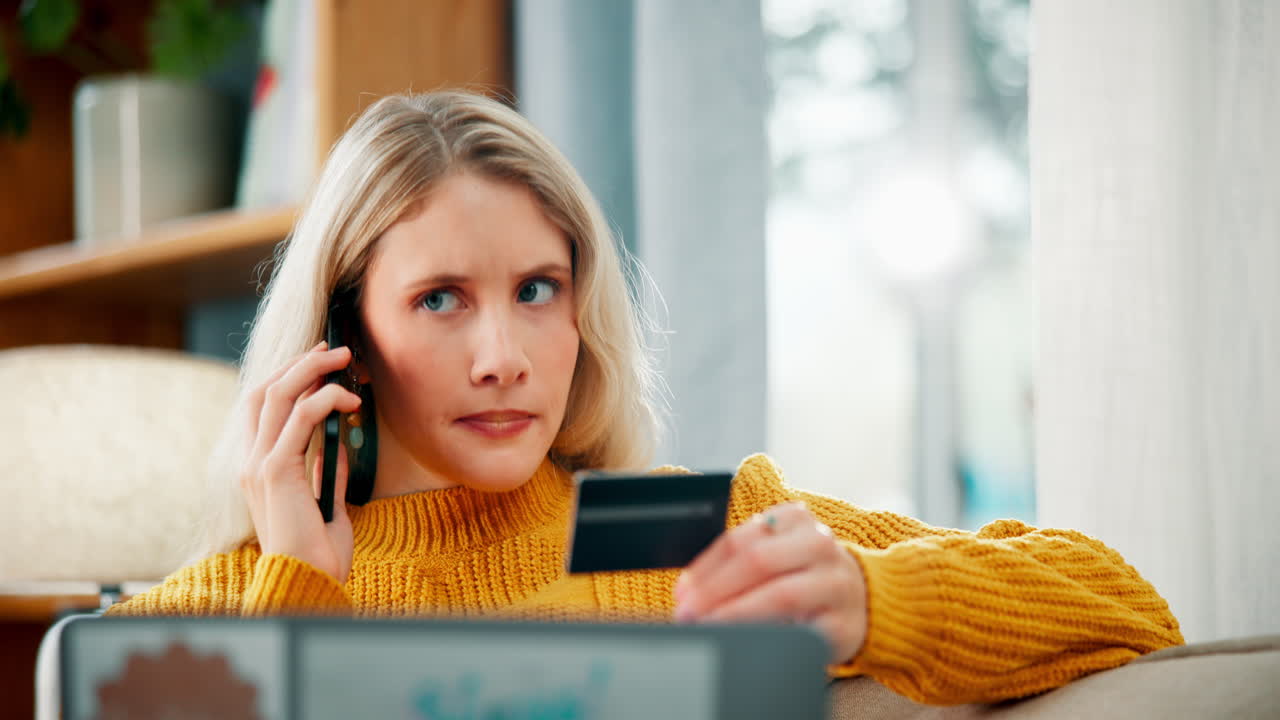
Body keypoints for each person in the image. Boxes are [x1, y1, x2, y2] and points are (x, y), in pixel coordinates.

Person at [107, 91, 1183, 705]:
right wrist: (300, 589)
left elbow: (1124, 606)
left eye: (537, 290)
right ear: (344, 341)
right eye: (440, 299)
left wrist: (871, 599)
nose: (503, 356)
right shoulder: (221, 610)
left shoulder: (663, 529)